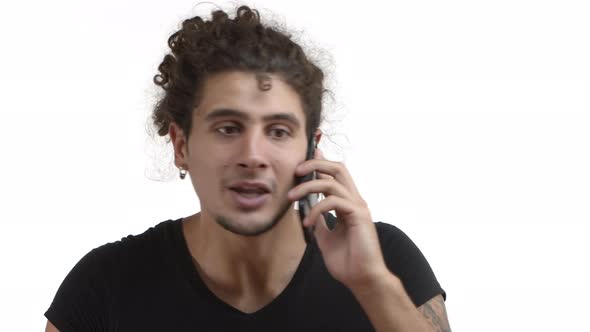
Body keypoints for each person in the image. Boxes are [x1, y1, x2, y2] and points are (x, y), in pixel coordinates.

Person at [44, 5, 451, 332]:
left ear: (311, 148)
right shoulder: (106, 285)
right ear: (181, 145)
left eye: (278, 131)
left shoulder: (385, 260)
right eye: (227, 128)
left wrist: (371, 283)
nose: (253, 154)